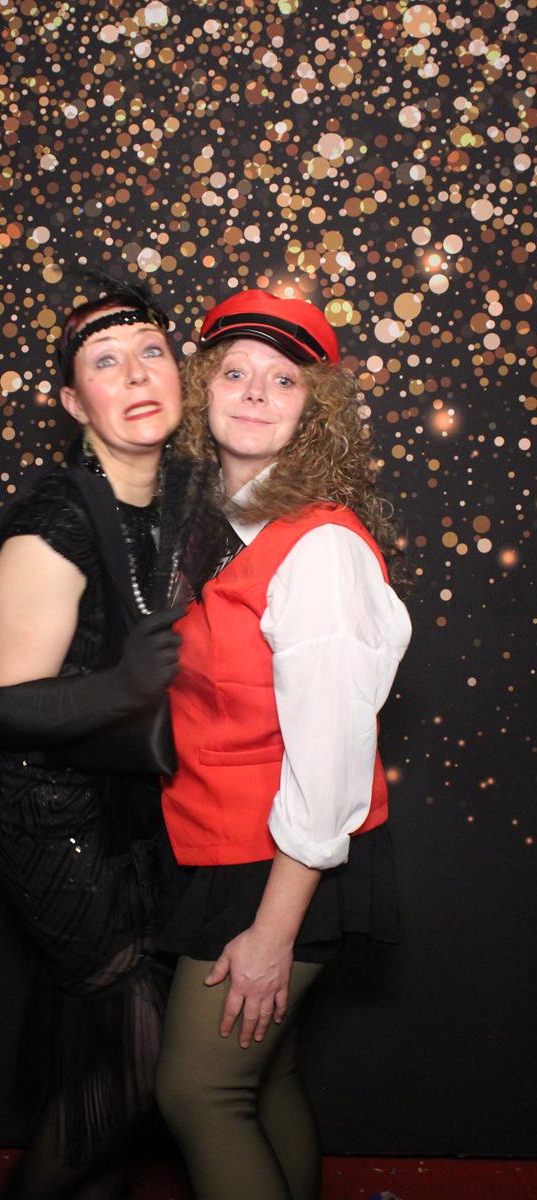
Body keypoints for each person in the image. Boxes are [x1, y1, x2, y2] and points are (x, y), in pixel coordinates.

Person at [154, 290, 412, 1200]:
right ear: (202, 391)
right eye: (234, 372)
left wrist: (272, 931)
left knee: (200, 1091)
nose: (256, 393)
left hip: (280, 861)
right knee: (266, 1079)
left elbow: (332, 762)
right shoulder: (215, 527)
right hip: (224, 841)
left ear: (315, 410)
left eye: (284, 379)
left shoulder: (320, 549)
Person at [0, 281, 187, 1199]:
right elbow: (11, 710)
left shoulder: (181, 505)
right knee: (132, 1071)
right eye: (106, 363)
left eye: (151, 353)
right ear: (74, 402)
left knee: (108, 1071)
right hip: (58, 824)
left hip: (141, 818)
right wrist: (126, 687)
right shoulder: (53, 523)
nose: (136, 376)